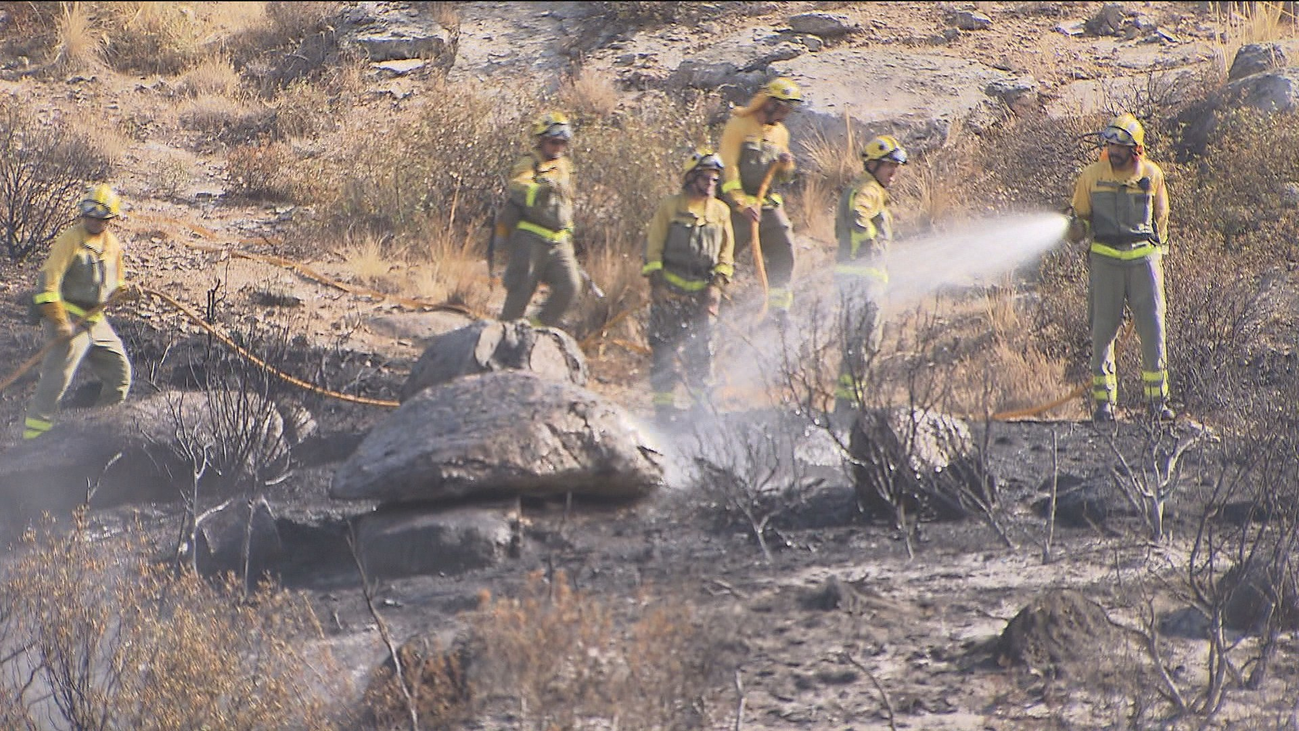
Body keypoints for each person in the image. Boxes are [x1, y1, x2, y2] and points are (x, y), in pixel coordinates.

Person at [1067, 113, 1173, 422]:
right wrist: (1073, 228)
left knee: (1153, 330)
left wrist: (1156, 249)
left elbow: (1161, 217)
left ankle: (1157, 402)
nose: (1113, 150)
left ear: (1136, 149)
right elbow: (1081, 222)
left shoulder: (1152, 175)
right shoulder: (1091, 176)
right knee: (1102, 332)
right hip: (1106, 261)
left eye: (1120, 145)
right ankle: (1104, 406)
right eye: (1110, 144)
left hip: (1144, 262)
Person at [23, 184, 139, 440]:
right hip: (68, 319)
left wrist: (125, 292)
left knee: (120, 376)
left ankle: (97, 435)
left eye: (100, 218)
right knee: (54, 385)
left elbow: (115, 283)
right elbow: (47, 283)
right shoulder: (70, 240)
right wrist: (59, 321)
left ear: (109, 219)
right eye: (89, 215)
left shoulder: (112, 245)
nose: (93, 221)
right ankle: (33, 441)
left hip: (96, 321)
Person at [642, 150, 735, 426]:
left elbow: (726, 253)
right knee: (664, 355)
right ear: (690, 178)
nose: (710, 184)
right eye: (705, 178)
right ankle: (663, 412)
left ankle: (700, 411)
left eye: (714, 179)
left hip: (702, 299)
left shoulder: (720, 212)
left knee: (701, 357)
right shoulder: (670, 208)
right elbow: (653, 247)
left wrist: (717, 285)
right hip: (668, 296)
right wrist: (656, 283)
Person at [718, 77, 802, 324]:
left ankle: (778, 312)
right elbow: (729, 167)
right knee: (722, 256)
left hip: (767, 205)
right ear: (769, 103)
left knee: (784, 250)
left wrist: (787, 165)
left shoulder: (780, 133)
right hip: (737, 209)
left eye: (789, 109)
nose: (786, 114)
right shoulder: (739, 125)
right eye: (783, 108)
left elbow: (785, 177)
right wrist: (741, 203)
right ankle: (715, 308)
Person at [833, 135, 907, 415]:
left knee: (858, 343)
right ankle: (849, 406)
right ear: (873, 164)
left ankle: (848, 402)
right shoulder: (868, 190)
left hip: (859, 277)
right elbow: (857, 215)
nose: (893, 172)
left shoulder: (866, 187)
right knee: (863, 342)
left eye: (895, 167)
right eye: (889, 166)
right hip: (862, 278)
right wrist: (870, 242)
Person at [498, 111, 581, 328]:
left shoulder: (565, 166)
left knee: (570, 287)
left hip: (559, 241)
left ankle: (536, 328)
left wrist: (569, 230)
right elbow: (517, 186)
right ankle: (504, 335)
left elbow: (567, 202)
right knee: (521, 289)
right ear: (542, 140)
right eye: (554, 142)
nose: (558, 147)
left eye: (563, 143)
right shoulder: (529, 163)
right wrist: (541, 189)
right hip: (530, 239)